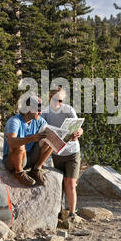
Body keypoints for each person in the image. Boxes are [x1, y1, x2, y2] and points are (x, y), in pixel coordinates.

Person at [42, 87, 83, 218]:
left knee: (70, 183)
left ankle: (72, 213)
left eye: (61, 100)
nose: (59, 103)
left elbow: (79, 128)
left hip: (72, 152)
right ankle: (59, 211)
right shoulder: (45, 112)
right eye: (56, 100)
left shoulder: (68, 110)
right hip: (57, 152)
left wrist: (78, 133)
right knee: (60, 183)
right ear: (50, 98)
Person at [2, 94, 53, 186]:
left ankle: (36, 169)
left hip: (30, 157)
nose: (40, 113)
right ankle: (19, 173)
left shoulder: (39, 121)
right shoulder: (15, 121)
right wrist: (32, 138)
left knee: (50, 140)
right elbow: (12, 142)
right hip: (13, 160)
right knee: (19, 145)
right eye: (38, 110)